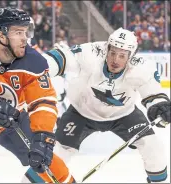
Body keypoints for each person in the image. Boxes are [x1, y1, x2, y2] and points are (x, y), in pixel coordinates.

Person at [23, 28, 170, 183]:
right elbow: (61, 58)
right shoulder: (92, 52)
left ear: (131, 56)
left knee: (153, 147)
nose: (115, 60)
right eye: (112, 53)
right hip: (81, 113)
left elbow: (154, 95)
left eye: (122, 55)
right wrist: (34, 69)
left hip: (124, 115)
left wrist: (160, 107)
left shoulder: (141, 67)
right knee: (55, 153)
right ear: (107, 48)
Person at [0, 7, 75, 183]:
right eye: (18, 32)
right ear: (2, 35)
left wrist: (42, 135)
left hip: (14, 119)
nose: (25, 38)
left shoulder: (34, 62)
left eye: (26, 32)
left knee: (48, 162)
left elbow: (43, 102)